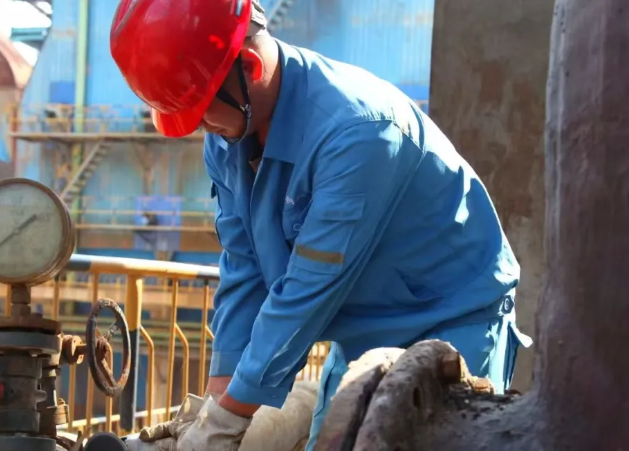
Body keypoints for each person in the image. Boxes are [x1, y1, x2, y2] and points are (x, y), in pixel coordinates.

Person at [110, 0, 532, 450]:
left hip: (451, 321)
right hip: (360, 331)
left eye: (203, 110)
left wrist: (228, 420)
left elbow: (309, 289)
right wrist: (211, 409)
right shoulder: (228, 136)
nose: (201, 128)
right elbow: (244, 269)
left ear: (249, 66)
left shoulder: (359, 131)